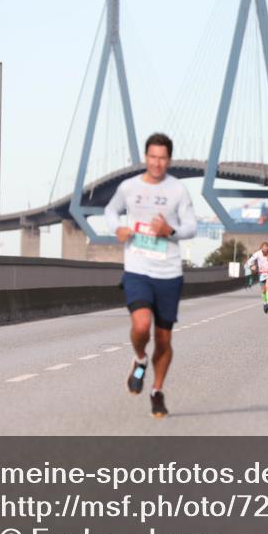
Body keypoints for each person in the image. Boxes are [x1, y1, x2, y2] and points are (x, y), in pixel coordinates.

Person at [104, 132, 197, 418]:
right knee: (142, 326)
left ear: (169, 160)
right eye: (153, 157)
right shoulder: (129, 187)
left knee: (164, 339)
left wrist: (170, 231)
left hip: (169, 272)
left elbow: (192, 227)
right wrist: (116, 227)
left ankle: (157, 391)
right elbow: (110, 210)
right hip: (137, 268)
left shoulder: (178, 190)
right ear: (146, 158)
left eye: (163, 158)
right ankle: (140, 359)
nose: (157, 163)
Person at [245, 241, 268, 314]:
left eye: (266, 247)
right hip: (261, 274)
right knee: (263, 290)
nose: (265, 249)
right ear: (261, 248)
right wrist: (252, 266)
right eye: (263, 247)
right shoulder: (258, 253)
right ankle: (264, 303)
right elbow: (249, 261)